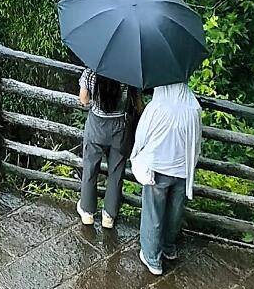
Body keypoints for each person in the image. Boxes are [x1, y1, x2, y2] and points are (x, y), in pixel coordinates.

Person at [131, 80, 201, 276]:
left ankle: (152, 257)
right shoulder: (193, 109)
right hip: (181, 170)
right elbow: (196, 142)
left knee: (154, 212)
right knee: (175, 212)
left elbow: (142, 136)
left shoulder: (157, 107)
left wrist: (137, 156)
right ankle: (169, 248)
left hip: (158, 168)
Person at [76, 70, 134, 232]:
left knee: (90, 168)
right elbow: (134, 101)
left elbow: (84, 100)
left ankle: (87, 212)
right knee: (116, 173)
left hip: (96, 126)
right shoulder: (128, 73)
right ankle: (109, 216)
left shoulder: (91, 73)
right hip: (119, 128)